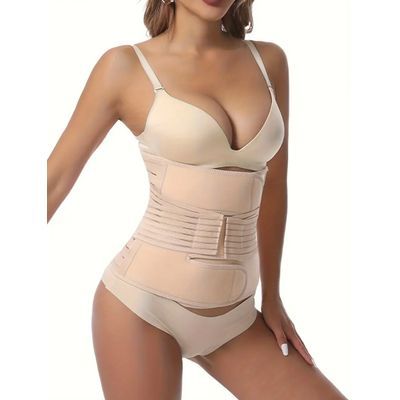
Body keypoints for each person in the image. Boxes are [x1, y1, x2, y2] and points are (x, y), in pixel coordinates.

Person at [47, 0, 348, 398]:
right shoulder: (124, 66)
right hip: (142, 307)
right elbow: (54, 179)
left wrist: (273, 297)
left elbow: (274, 183)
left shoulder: (269, 61)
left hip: (237, 319)